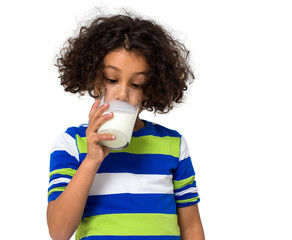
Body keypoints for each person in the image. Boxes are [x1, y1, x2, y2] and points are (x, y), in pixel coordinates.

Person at [47, 12, 205, 240]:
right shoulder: (71, 144)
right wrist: (92, 160)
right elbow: (58, 232)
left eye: (136, 84)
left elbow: (191, 227)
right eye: (112, 79)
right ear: (93, 77)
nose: (122, 94)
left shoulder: (173, 144)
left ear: (151, 88)